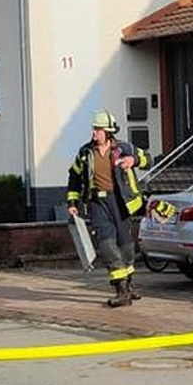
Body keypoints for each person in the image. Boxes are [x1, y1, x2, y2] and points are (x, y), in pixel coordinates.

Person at [65, 109, 151, 307]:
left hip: (121, 202)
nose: (94, 133)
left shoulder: (123, 148)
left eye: (98, 129)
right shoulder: (85, 153)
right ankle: (121, 291)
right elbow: (74, 177)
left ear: (108, 132)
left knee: (126, 245)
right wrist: (72, 203)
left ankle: (128, 285)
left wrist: (134, 160)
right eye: (94, 129)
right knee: (107, 245)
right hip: (98, 203)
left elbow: (147, 159)